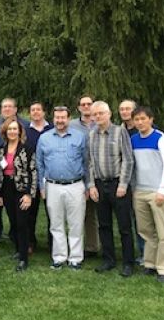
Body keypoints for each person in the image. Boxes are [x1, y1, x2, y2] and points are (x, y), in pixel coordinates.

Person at [36, 106, 89, 270]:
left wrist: (87, 186)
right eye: (57, 118)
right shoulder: (44, 138)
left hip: (75, 185)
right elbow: (40, 164)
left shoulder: (80, 137)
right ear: (53, 119)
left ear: (68, 118)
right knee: (56, 223)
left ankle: (75, 258)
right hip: (52, 186)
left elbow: (87, 163)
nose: (60, 121)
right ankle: (59, 257)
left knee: (76, 223)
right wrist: (42, 187)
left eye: (63, 117)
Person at [87, 101, 135, 277]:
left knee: (124, 225)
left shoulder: (120, 131)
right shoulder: (91, 135)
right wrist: (91, 185)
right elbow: (89, 163)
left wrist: (123, 184)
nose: (98, 117)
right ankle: (108, 259)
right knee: (104, 225)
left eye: (101, 113)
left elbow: (128, 160)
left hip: (118, 184)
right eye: (95, 114)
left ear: (109, 114)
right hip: (100, 185)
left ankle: (128, 262)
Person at [130, 106, 164, 283]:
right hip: (140, 191)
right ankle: (150, 263)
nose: (140, 122)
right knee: (146, 231)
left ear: (151, 119)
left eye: (143, 119)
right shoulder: (133, 139)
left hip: (157, 192)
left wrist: (162, 190)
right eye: (137, 119)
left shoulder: (160, 138)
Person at [0, 118, 37, 271]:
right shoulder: (1, 148)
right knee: (13, 221)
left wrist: (29, 194)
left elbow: (33, 172)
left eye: (15, 129)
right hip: (6, 188)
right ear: (5, 132)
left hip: (21, 189)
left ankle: (24, 259)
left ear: (19, 131)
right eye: (9, 129)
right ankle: (19, 250)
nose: (12, 131)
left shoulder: (27, 148)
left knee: (22, 223)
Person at [0, 98, 29, 244]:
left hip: (17, 174)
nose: (7, 109)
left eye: (10, 107)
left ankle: (15, 235)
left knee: (15, 208)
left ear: (16, 109)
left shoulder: (25, 125)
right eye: (4, 107)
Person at [70, 94, 99, 259]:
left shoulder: (102, 123)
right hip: (81, 174)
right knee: (85, 213)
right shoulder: (72, 125)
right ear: (79, 107)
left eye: (89, 104)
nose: (86, 107)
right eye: (83, 104)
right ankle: (90, 247)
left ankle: (102, 245)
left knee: (102, 214)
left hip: (102, 174)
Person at [118, 99, 144, 264]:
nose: (125, 112)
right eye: (122, 109)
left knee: (143, 220)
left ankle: (147, 252)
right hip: (125, 180)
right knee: (131, 218)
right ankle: (141, 253)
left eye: (128, 109)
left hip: (142, 181)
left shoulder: (141, 130)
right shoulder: (119, 130)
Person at [25, 101, 53, 252]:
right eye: (32, 110)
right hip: (31, 176)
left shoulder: (52, 129)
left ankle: (52, 242)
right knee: (30, 211)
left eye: (38, 109)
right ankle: (30, 242)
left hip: (50, 176)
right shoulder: (25, 131)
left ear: (44, 112)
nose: (35, 112)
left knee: (52, 212)